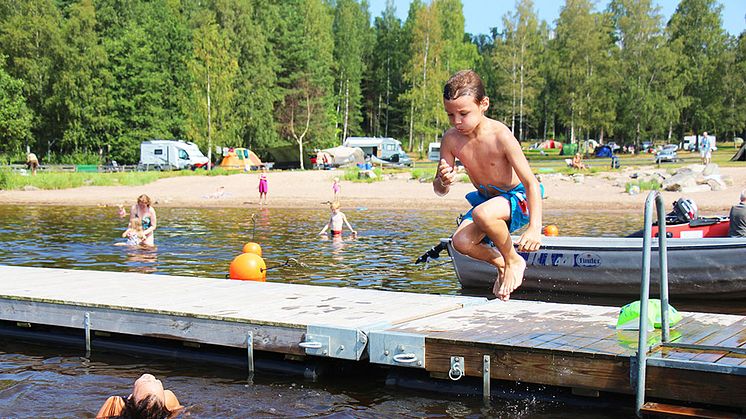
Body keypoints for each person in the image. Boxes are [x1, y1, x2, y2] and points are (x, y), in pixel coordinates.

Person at [435, 69, 543, 301]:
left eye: (463, 113)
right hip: (488, 202)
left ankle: (514, 259)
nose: (457, 121)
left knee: (484, 213)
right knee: (460, 242)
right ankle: (502, 263)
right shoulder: (451, 139)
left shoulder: (500, 135)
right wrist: (443, 181)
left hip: (519, 198)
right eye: (450, 115)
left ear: (484, 104)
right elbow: (440, 189)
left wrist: (534, 228)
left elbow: (532, 184)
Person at [96, 373, 183, 419]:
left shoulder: (116, 403)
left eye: (155, 380)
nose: (150, 377)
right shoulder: (168, 398)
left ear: (130, 398)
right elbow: (180, 412)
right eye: (155, 380)